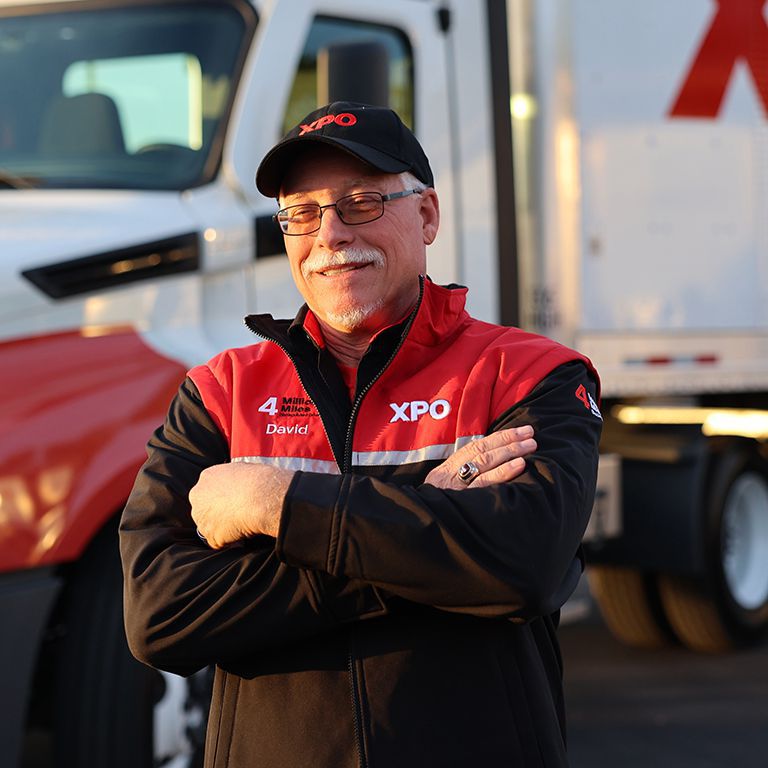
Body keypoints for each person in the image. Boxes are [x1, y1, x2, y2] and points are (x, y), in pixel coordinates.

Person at [120, 101, 602, 768]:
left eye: (363, 203)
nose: (331, 235)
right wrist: (429, 521)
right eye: (302, 213)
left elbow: (524, 564)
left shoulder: (529, 374)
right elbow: (160, 618)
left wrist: (276, 503)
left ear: (427, 215)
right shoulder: (219, 392)